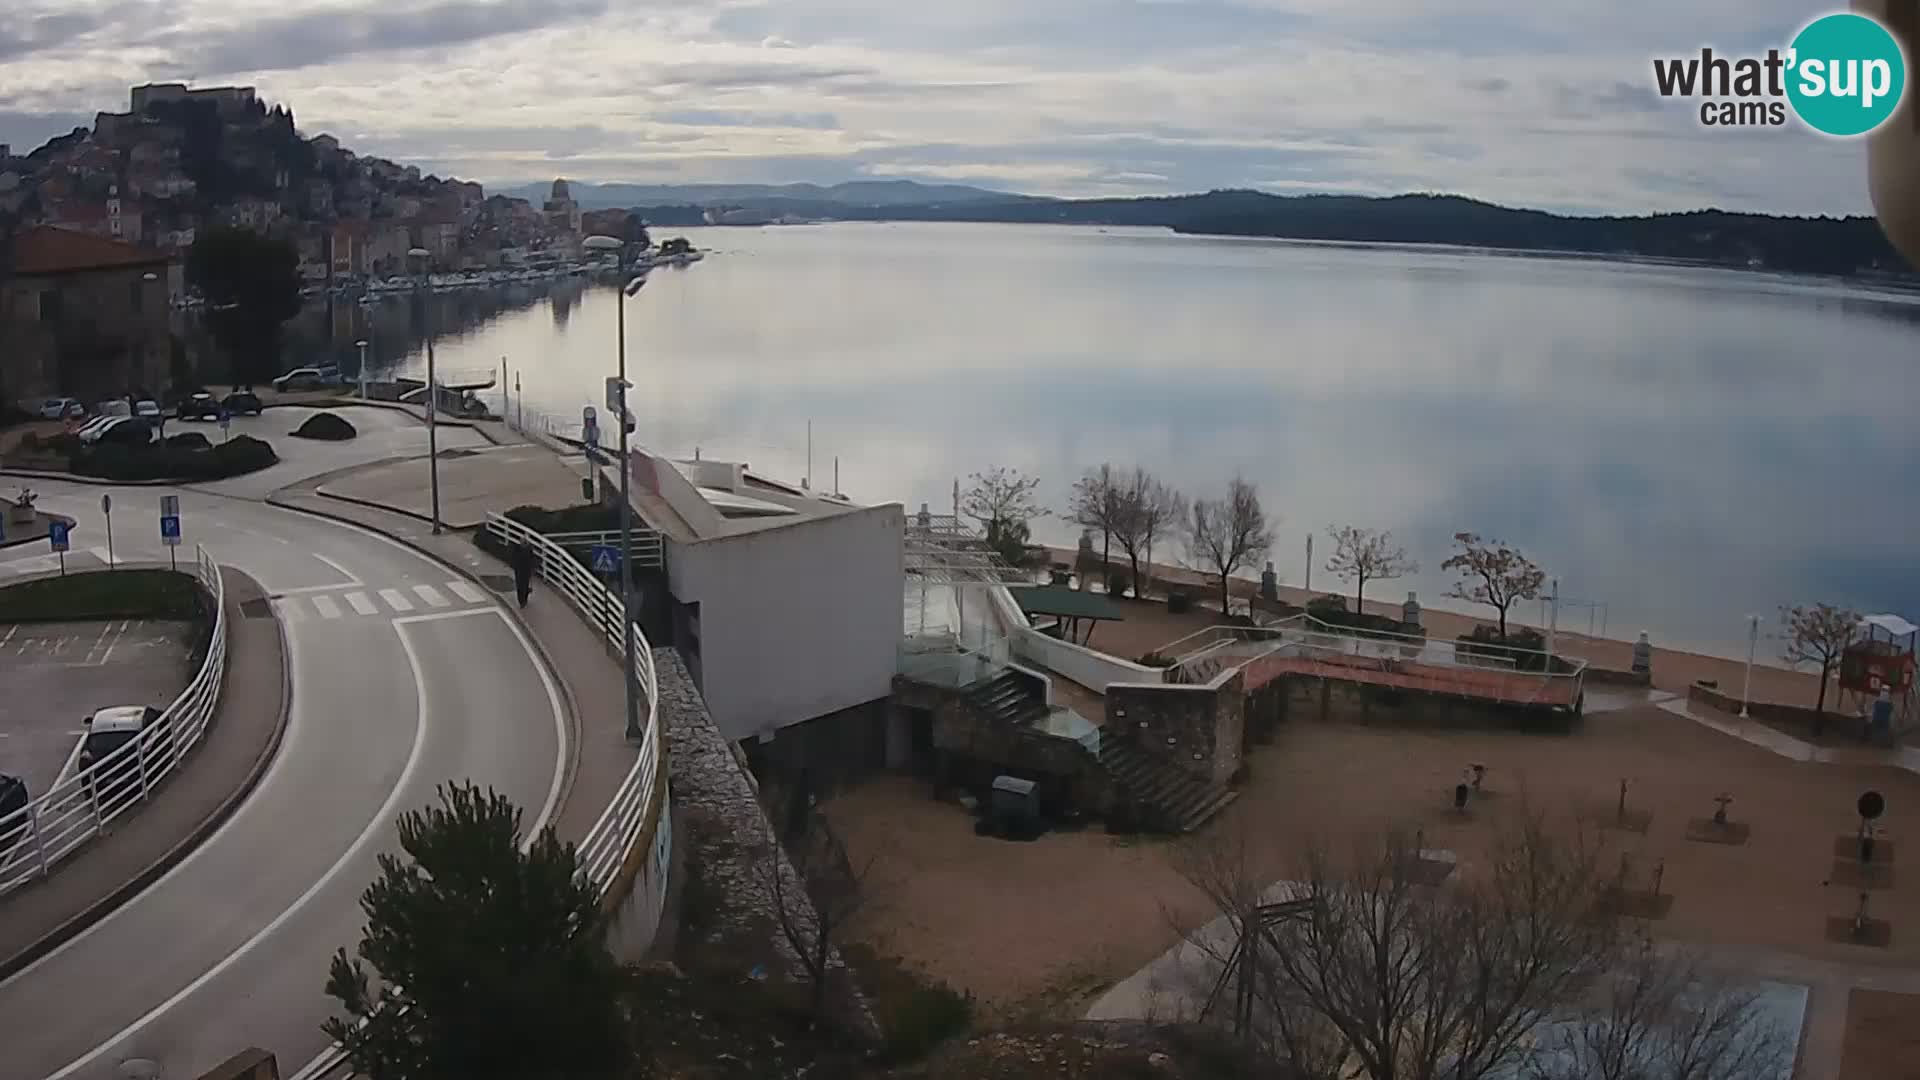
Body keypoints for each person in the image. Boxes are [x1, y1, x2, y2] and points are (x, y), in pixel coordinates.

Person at [511, 538, 535, 609]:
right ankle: (522, 601)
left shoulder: (526, 550)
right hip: (521, 570)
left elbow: (531, 560)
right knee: (521, 586)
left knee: (523, 585)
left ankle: (523, 600)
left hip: (524, 570)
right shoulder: (518, 549)